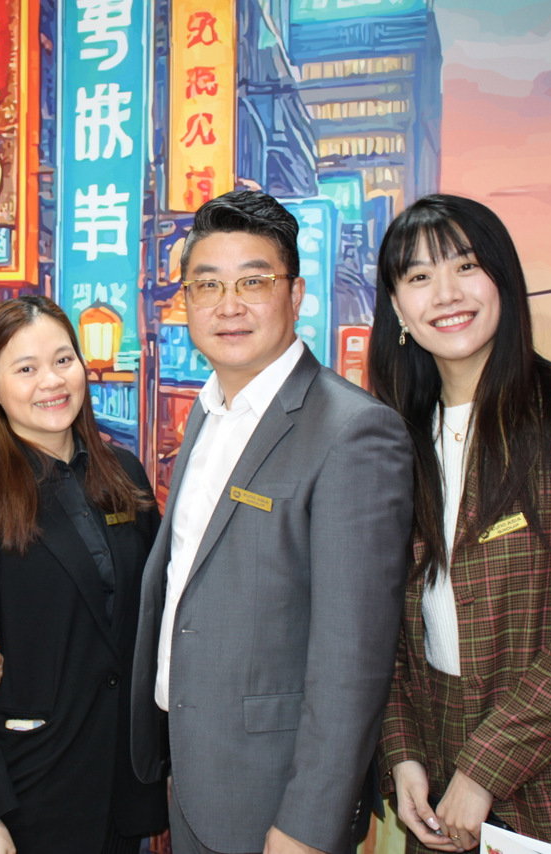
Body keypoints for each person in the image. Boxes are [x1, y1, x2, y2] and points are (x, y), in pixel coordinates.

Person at [129, 189, 415, 854]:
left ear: (296, 294)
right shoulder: (207, 411)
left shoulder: (353, 432)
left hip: (275, 797)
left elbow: (354, 657)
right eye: (207, 285)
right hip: (191, 771)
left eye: (253, 282)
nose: (228, 305)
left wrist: (308, 824)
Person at [370, 194, 551, 854]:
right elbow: (386, 629)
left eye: (465, 266)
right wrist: (403, 754)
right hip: (438, 791)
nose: (446, 294)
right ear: (398, 309)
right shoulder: (393, 437)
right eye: (418, 276)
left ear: (503, 280)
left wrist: (483, 769)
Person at [0, 295, 168, 854]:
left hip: (124, 780)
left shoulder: (124, 473)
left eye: (63, 360)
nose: (52, 381)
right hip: (31, 785)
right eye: (26, 368)